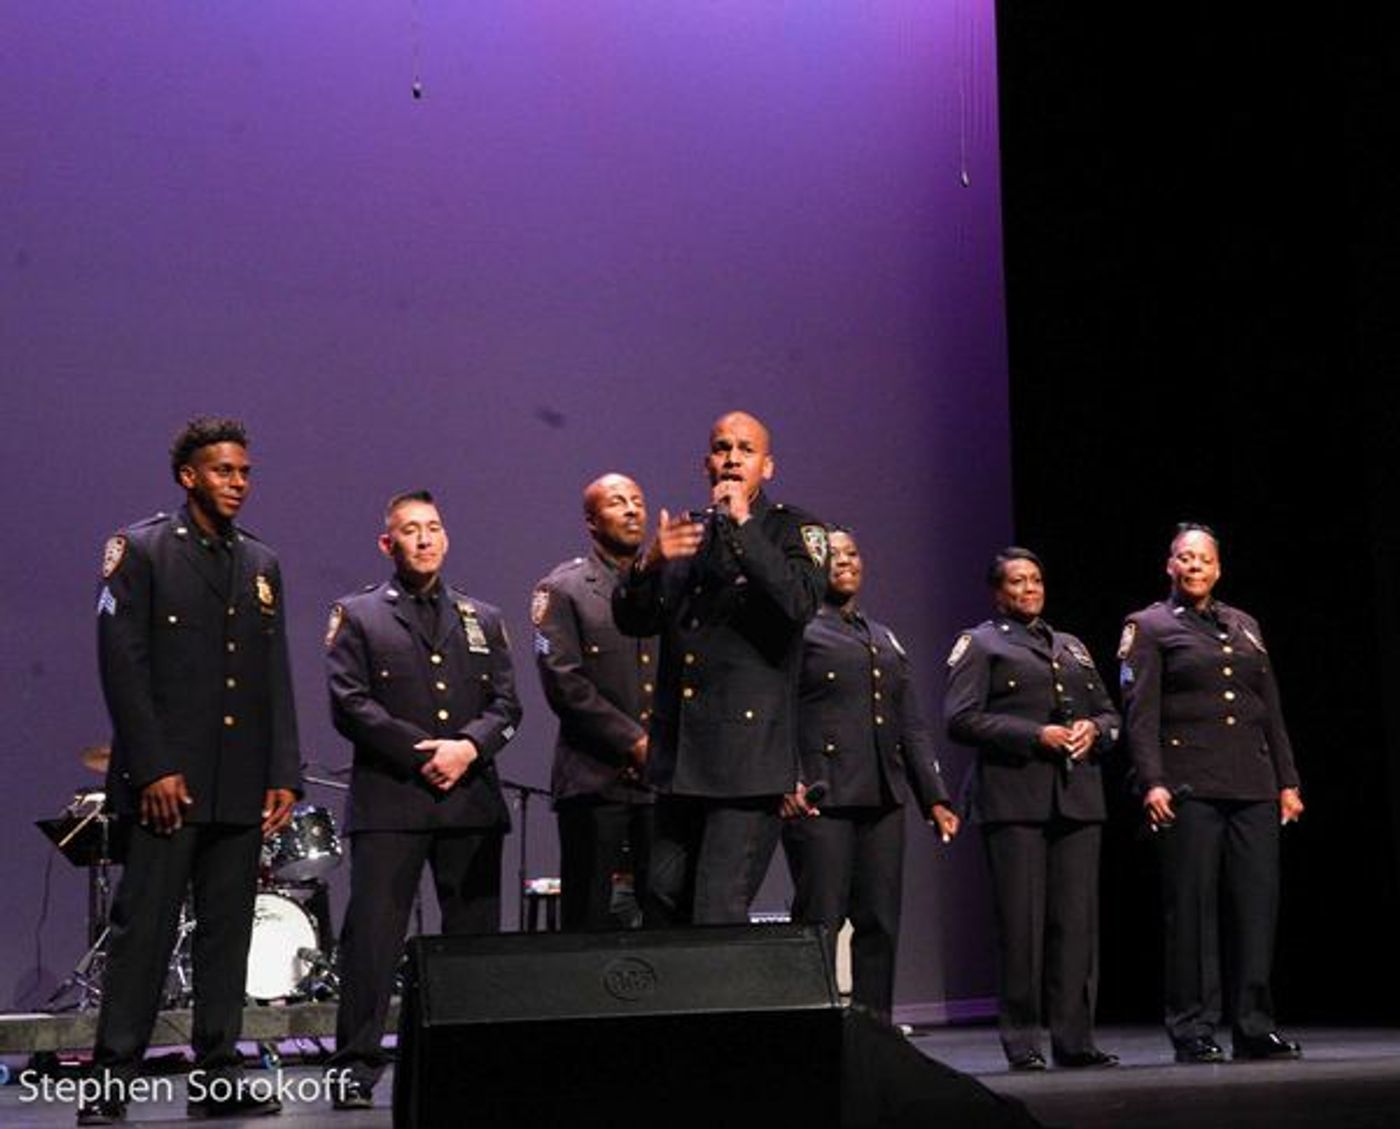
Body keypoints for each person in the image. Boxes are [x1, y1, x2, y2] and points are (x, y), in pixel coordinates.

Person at [82, 417, 301, 1124]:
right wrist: (152, 767)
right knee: (142, 933)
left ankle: (216, 1073)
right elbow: (124, 665)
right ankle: (111, 1080)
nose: (236, 482)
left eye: (243, 471)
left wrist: (283, 771)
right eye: (222, 471)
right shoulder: (142, 549)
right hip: (165, 786)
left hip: (238, 780)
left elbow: (273, 674)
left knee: (225, 935)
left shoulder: (260, 562)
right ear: (189, 476)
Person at [325, 490, 522, 1109]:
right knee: (373, 943)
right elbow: (350, 706)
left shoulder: (482, 617)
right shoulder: (359, 615)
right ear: (389, 544)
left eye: (433, 527)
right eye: (410, 530)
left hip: (470, 802)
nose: (424, 539)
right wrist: (425, 753)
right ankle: (355, 1068)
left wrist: (467, 747)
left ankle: (473, 1064)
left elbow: (508, 708)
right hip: (393, 803)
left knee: (472, 943)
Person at [613, 410, 827, 925]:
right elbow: (632, 620)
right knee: (661, 896)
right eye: (722, 447)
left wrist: (743, 527)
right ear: (705, 462)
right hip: (681, 754)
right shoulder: (686, 532)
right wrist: (649, 565)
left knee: (717, 908)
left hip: (747, 761)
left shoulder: (796, 530)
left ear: (767, 467)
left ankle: (724, 1010)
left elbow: (798, 601)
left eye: (745, 449)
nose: (732, 458)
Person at [1119, 523, 1304, 1063]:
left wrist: (1287, 780)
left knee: (1255, 907)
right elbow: (1140, 714)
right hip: (1188, 784)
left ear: (1218, 568)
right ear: (1169, 566)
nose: (1195, 566)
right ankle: (1193, 1027)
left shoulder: (1244, 625)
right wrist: (1152, 781)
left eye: (1204, 559)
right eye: (1185, 558)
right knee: (1193, 910)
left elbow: (1268, 707)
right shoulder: (1149, 626)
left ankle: (1253, 1024)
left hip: (1253, 783)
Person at [944, 548, 1119, 1072]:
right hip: (1014, 798)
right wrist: (1033, 734)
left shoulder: (1070, 646)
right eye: (1017, 582)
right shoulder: (981, 643)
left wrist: (1097, 730)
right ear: (998, 592)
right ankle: (1022, 1041)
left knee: (1076, 926)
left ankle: (1075, 1040)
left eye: (1036, 580)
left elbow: (1109, 711)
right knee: (1020, 926)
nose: (1029, 589)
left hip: (1077, 799)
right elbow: (960, 718)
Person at [781, 527, 960, 1022]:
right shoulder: (799, 630)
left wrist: (935, 798)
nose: (845, 561)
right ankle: (809, 1024)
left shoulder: (881, 637)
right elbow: (777, 710)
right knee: (821, 918)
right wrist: (788, 780)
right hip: (823, 795)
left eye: (852, 553)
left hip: (882, 795)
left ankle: (873, 1029)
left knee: (879, 920)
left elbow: (911, 724)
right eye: (832, 554)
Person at [532, 473, 658, 930]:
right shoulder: (564, 588)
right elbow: (564, 681)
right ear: (591, 521)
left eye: (637, 501)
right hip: (594, 779)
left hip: (661, 781)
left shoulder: (665, 585)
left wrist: (659, 746)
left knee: (666, 912)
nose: (631, 509)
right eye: (617, 502)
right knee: (588, 914)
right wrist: (633, 741)